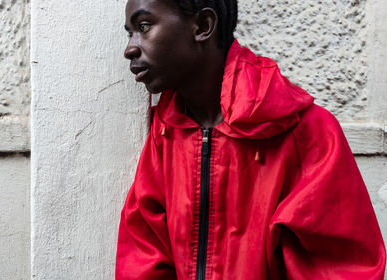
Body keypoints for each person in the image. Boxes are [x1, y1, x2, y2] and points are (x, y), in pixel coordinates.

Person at [116, 0, 386, 279]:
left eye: (144, 27)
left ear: (203, 26)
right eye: (130, 32)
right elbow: (143, 259)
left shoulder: (308, 132)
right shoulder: (166, 132)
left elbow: (344, 269)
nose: (130, 48)